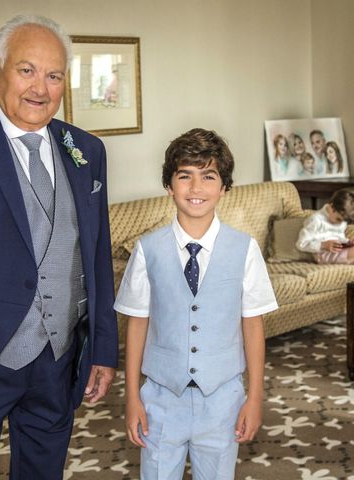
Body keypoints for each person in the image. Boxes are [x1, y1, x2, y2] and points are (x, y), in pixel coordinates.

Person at [0, 14, 118, 479]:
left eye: (54, 75)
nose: (41, 87)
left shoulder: (86, 150)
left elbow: (97, 257)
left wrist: (102, 350)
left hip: (57, 359)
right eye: (26, 70)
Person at [115, 128, 278, 479]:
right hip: (160, 398)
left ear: (223, 187)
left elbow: (253, 325)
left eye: (208, 176)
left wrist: (254, 397)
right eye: (184, 176)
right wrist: (132, 398)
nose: (196, 188)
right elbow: (137, 325)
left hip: (223, 400)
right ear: (169, 186)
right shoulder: (147, 250)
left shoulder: (245, 249)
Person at [296, 189, 354, 331]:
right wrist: (323, 245)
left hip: (340, 251)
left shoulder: (340, 220)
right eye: (339, 219)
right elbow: (301, 244)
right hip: (324, 255)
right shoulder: (315, 220)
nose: (341, 223)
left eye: (343, 221)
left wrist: (349, 241)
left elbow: (339, 236)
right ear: (332, 207)